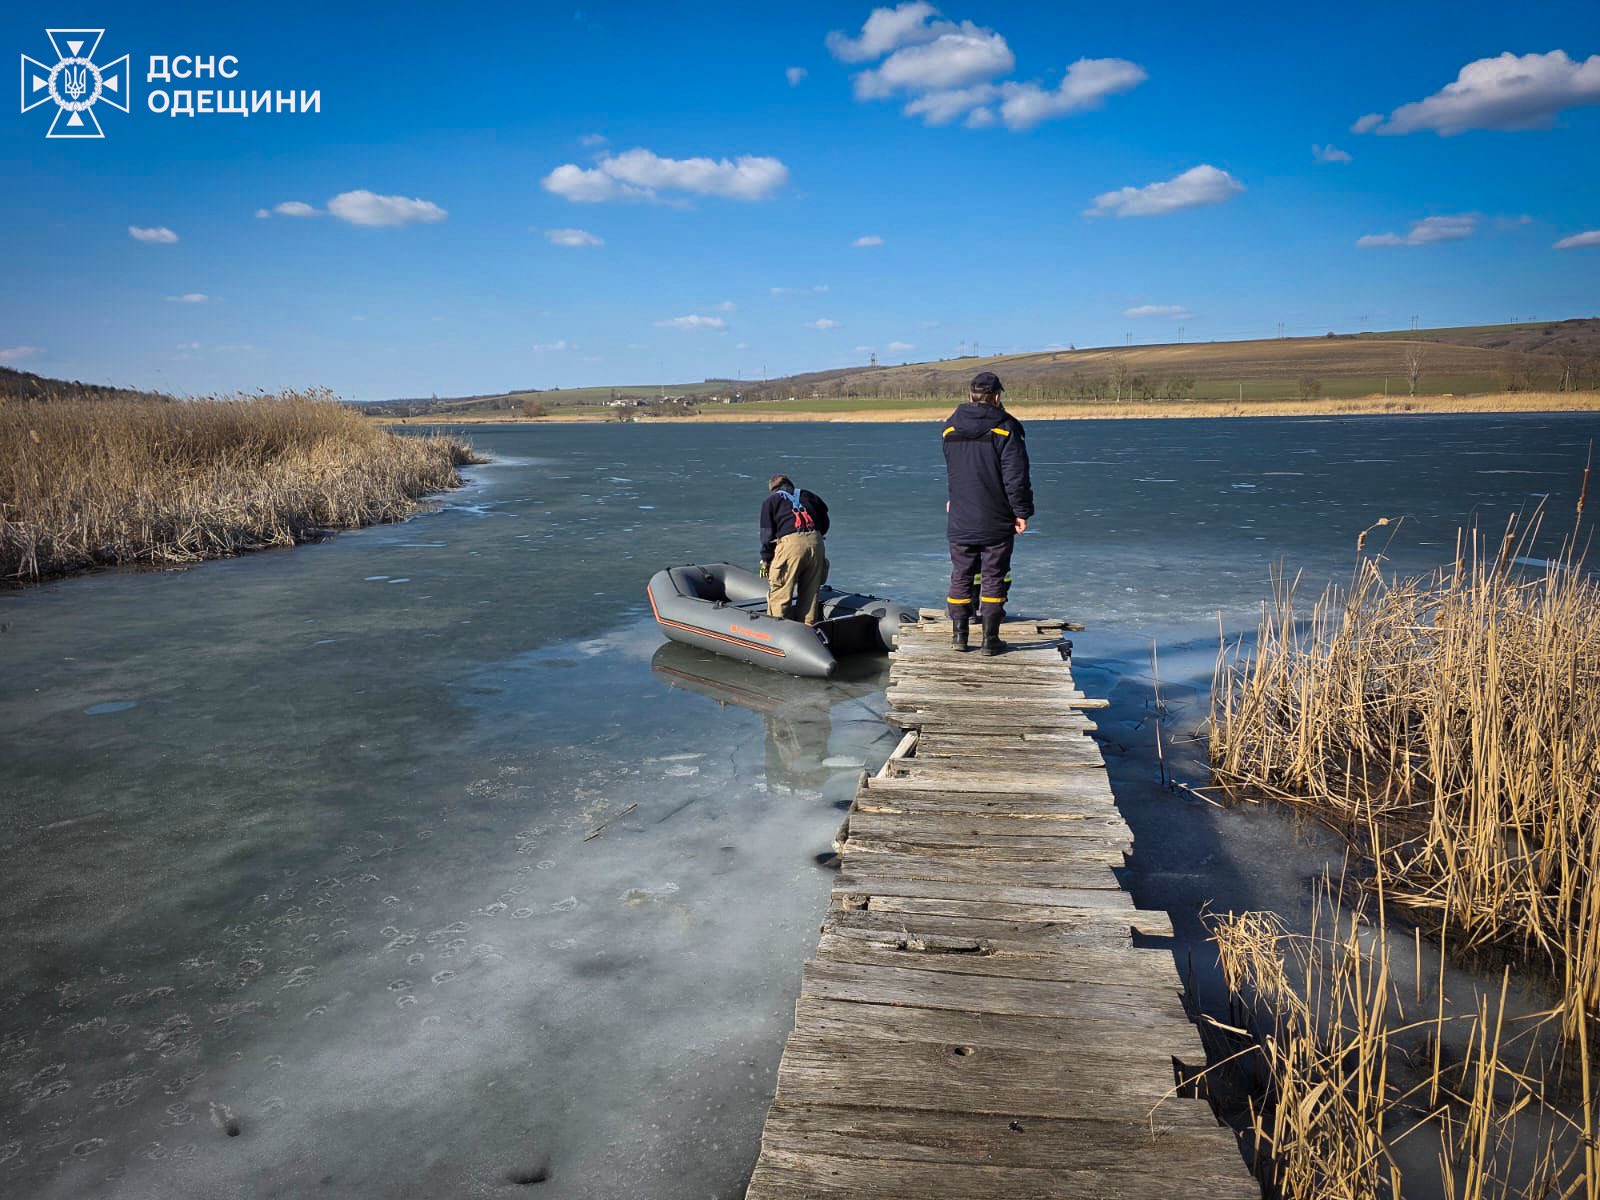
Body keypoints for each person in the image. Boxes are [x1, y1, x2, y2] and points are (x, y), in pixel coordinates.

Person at [942, 371, 1033, 655]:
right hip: (995, 517)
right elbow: (1016, 477)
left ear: (970, 395)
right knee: (994, 575)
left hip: (960, 516)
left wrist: (953, 500)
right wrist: (1022, 511)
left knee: (961, 574)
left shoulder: (950, 427)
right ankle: (989, 640)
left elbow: (956, 471)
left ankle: (959, 637)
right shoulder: (1006, 428)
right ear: (996, 397)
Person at [759, 474, 830, 626]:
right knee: (810, 592)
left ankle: (778, 628)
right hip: (816, 543)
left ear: (773, 490)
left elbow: (766, 535)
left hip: (791, 545)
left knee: (781, 591)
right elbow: (825, 518)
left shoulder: (771, 501)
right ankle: (808, 628)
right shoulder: (809, 495)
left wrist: (766, 559)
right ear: (790, 485)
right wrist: (817, 535)